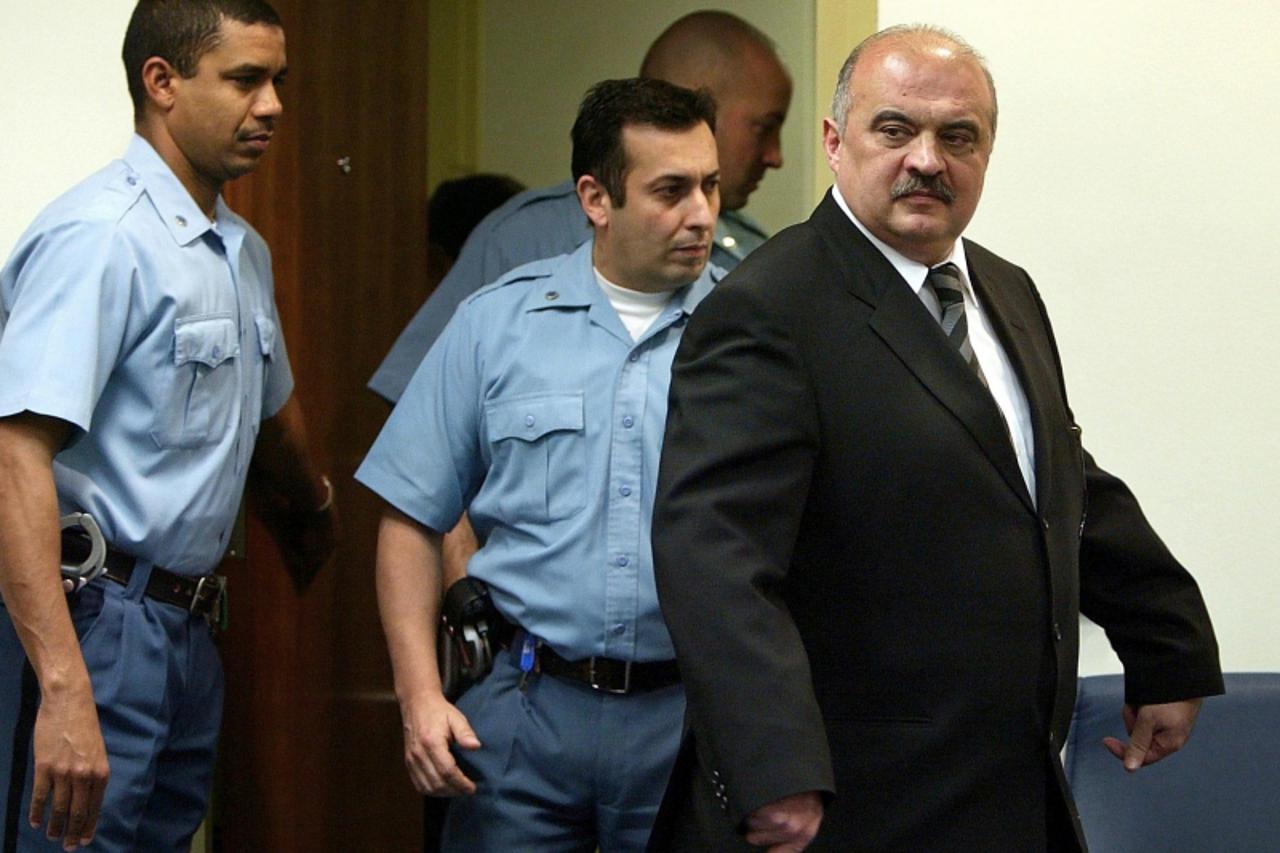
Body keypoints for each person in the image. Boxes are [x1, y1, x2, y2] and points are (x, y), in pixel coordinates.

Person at [648, 24, 1223, 852]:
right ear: (835, 142)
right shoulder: (770, 307)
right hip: (851, 801)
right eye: (895, 129)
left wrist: (1166, 647)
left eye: (959, 136)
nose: (927, 159)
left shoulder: (1006, 290)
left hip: (1007, 786)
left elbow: (1054, 484)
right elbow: (715, 560)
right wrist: (772, 766)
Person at [0, 2, 335, 850]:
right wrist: (66, 689)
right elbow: (12, 456)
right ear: (162, 83)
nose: (273, 106)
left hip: (184, 628)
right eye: (246, 79)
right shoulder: (101, 238)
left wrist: (314, 511)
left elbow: (269, 424)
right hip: (95, 621)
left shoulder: (240, 252)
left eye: (277, 82)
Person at [356, 77, 721, 851]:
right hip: (524, 711)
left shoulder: (747, 336)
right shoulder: (496, 324)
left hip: (686, 720)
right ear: (596, 198)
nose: (703, 213)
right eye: (671, 190)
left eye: (710, 185)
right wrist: (419, 694)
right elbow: (409, 516)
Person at [367, 9, 791, 405]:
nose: (775, 156)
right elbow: (419, 409)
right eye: (764, 127)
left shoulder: (754, 258)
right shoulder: (523, 239)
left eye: (709, 187)